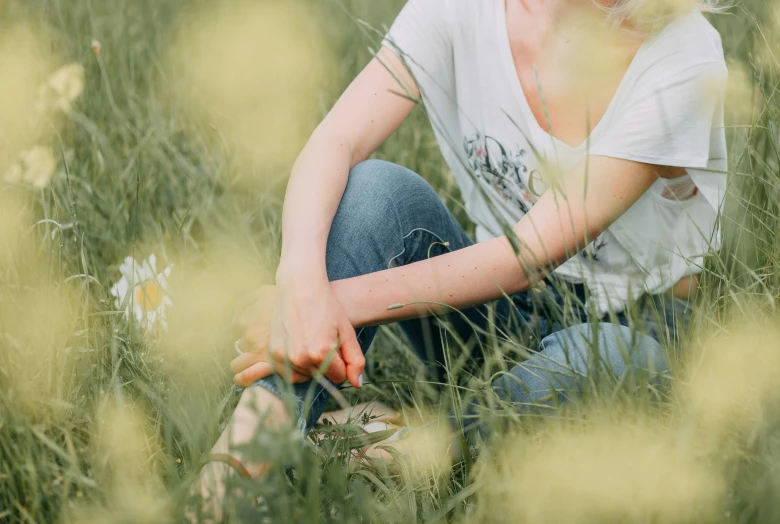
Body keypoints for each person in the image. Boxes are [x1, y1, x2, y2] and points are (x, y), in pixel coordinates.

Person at [202, 0, 728, 498]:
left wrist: (325, 303)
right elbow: (335, 139)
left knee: (620, 362)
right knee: (375, 193)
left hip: (628, 325)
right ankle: (241, 458)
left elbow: (528, 254)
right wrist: (299, 286)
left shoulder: (682, 54)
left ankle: (410, 442)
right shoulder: (463, 9)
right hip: (489, 313)